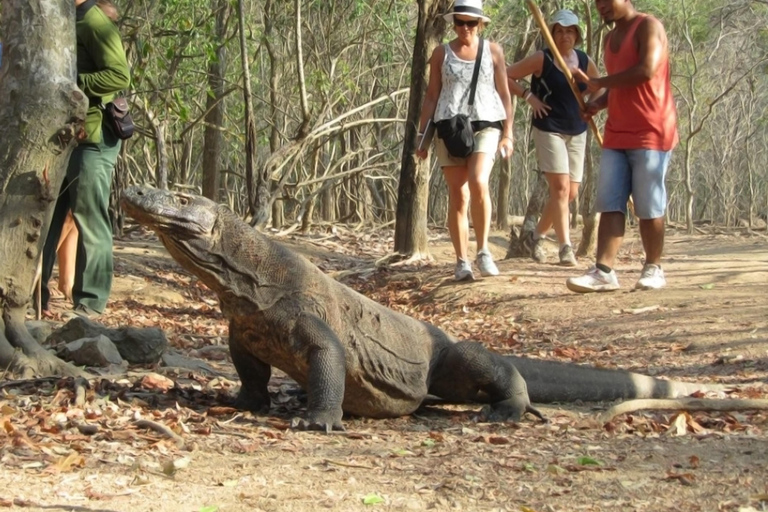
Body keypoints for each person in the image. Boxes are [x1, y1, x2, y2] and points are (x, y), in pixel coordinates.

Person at [566, 0, 678, 293]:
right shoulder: (609, 37)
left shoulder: (648, 26)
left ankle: (653, 266)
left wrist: (596, 81)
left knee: (648, 205)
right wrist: (597, 104)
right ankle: (603, 271)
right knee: (610, 202)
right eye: (597, 1)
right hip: (617, 131)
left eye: (607, 0)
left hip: (651, 129)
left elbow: (646, 70)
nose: (602, 6)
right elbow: (617, 87)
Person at [40, 0, 130, 318]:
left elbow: (119, 76)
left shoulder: (94, 22)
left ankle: (90, 304)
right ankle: (36, 295)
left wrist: (74, 82)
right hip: (64, 137)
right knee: (47, 217)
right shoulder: (61, 17)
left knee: (89, 218)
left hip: (94, 138)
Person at [416, 0, 514, 281]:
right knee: (458, 195)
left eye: (471, 22)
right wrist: (422, 137)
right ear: (453, 23)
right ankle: (462, 261)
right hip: (450, 129)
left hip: (486, 125)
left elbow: (505, 94)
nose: (465, 28)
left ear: (480, 23)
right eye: (460, 22)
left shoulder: (493, 51)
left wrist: (508, 133)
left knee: (478, 181)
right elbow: (432, 96)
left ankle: (484, 250)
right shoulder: (440, 54)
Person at [506, 9, 600, 266]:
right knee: (559, 188)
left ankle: (535, 238)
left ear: (577, 35)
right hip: (549, 128)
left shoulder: (583, 59)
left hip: (577, 130)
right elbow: (506, 74)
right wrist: (528, 96)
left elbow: (598, 85)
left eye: (569, 30)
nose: (564, 35)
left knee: (570, 193)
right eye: (559, 30)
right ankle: (565, 247)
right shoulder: (542, 58)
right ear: (551, 34)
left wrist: (591, 105)